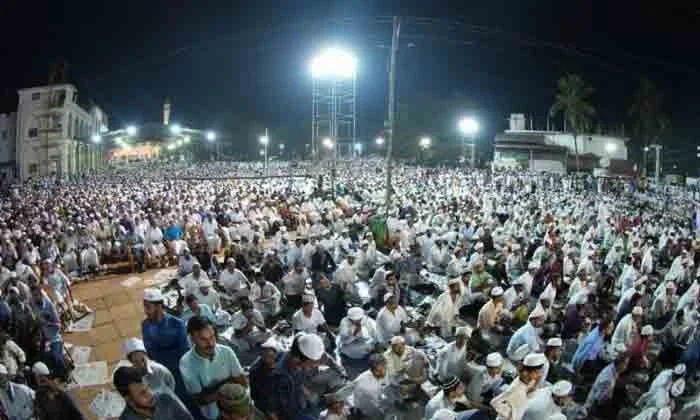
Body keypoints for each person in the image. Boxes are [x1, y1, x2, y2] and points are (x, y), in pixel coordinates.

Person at [179, 316, 247, 420]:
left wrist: (212, 392)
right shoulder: (186, 363)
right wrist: (229, 382)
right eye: (203, 339)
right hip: (213, 416)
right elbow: (200, 400)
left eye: (212, 337)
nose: (210, 344)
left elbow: (243, 382)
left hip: (237, 413)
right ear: (192, 339)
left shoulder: (226, 351)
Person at [141, 288, 190, 401]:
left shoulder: (177, 324)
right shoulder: (145, 325)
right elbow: (149, 351)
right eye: (144, 307)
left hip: (179, 374)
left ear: (159, 307)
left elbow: (184, 352)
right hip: (159, 374)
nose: (145, 311)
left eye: (148, 307)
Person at [268, 333, 326, 420]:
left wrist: (302, 389)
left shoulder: (297, 361)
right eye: (311, 363)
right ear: (298, 358)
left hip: (298, 402)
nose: (313, 366)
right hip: (289, 414)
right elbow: (272, 409)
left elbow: (298, 381)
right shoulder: (280, 377)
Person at [114, 366, 194, 420]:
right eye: (142, 393)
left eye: (148, 387)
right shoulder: (127, 418)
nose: (150, 394)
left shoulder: (165, 400)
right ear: (129, 399)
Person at [491, 353, 545, 420]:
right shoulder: (516, 388)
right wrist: (509, 413)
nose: (539, 375)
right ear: (526, 372)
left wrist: (536, 383)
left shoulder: (526, 384)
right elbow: (494, 402)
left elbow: (528, 397)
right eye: (536, 372)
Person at [247, 341, 279, 417]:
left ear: (275, 355)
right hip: (266, 406)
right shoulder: (255, 371)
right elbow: (255, 394)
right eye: (265, 355)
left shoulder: (280, 365)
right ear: (261, 355)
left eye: (270, 355)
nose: (268, 358)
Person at [352, 354, 388, 419]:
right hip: (365, 407)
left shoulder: (383, 373)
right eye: (379, 371)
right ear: (372, 369)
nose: (383, 372)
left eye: (384, 368)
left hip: (376, 401)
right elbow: (375, 401)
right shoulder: (362, 382)